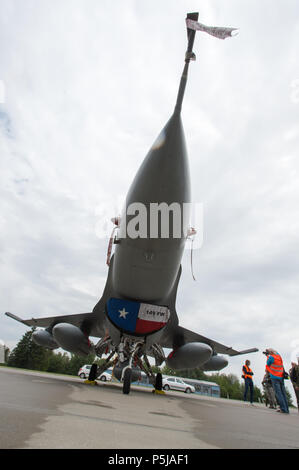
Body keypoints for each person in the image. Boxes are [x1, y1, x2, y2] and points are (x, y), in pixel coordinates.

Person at [264, 348, 289, 414]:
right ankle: (286, 409)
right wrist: (269, 352)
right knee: (283, 393)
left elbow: (268, 364)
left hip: (274, 377)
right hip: (281, 377)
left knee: (278, 394)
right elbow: (276, 353)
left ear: (270, 353)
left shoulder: (271, 358)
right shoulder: (279, 356)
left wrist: (267, 356)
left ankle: (283, 409)